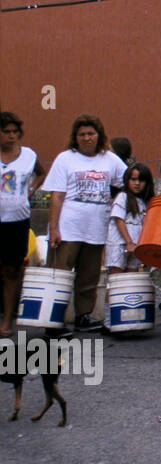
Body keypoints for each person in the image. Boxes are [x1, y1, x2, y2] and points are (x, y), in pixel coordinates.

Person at [45, 114, 127, 332]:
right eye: (81, 134)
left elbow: (128, 182)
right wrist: (53, 228)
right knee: (59, 274)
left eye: (90, 133)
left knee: (89, 277)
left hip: (96, 228)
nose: (86, 138)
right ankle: (52, 319)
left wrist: (116, 198)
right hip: (68, 228)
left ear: (99, 136)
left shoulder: (110, 159)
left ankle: (83, 315)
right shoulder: (65, 158)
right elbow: (57, 195)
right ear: (75, 137)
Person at [0, 112, 45, 337]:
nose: (11, 136)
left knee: (12, 270)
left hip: (17, 219)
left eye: (15, 132)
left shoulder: (28, 155)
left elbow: (40, 172)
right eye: (6, 131)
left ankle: (8, 318)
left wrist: (31, 189)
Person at [106, 164, 153, 274]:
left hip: (136, 246)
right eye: (133, 179)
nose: (137, 183)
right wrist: (129, 242)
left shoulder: (145, 202)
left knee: (131, 280)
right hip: (119, 244)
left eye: (141, 180)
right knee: (117, 279)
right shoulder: (123, 197)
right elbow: (119, 220)